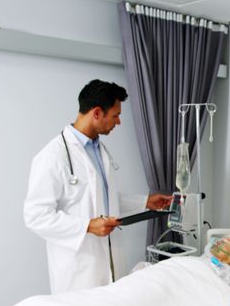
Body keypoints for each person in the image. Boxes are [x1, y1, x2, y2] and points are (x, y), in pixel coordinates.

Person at [24, 79, 172, 294]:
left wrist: (146, 202)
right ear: (96, 113)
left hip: (109, 260)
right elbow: (35, 216)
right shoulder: (52, 157)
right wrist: (87, 226)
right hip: (79, 268)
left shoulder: (98, 150)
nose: (119, 122)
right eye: (115, 115)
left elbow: (104, 199)